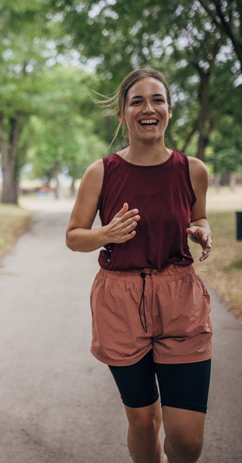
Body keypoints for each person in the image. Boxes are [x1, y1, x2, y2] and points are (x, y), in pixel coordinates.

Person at [66, 68, 213, 463]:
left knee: (187, 440)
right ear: (123, 113)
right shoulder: (101, 172)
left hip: (180, 300)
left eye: (157, 100)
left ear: (168, 109)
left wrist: (201, 229)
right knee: (145, 422)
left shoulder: (192, 170)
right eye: (137, 101)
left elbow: (198, 217)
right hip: (120, 300)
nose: (149, 109)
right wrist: (105, 235)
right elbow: (74, 235)